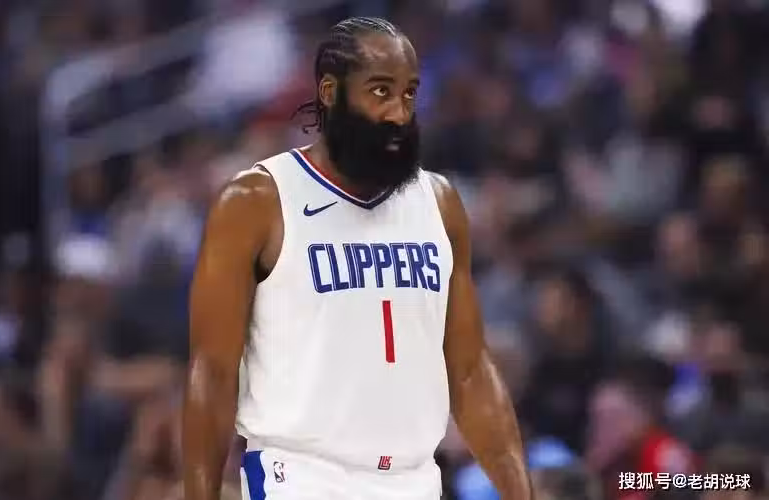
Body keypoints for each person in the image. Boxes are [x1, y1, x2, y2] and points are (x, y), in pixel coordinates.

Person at [183, 17, 532, 500]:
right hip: (302, 477)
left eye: (409, 94)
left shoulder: (439, 204)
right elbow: (214, 372)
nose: (399, 113)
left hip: (413, 479)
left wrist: (520, 492)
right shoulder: (257, 201)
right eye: (381, 91)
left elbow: (469, 371)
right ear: (330, 92)